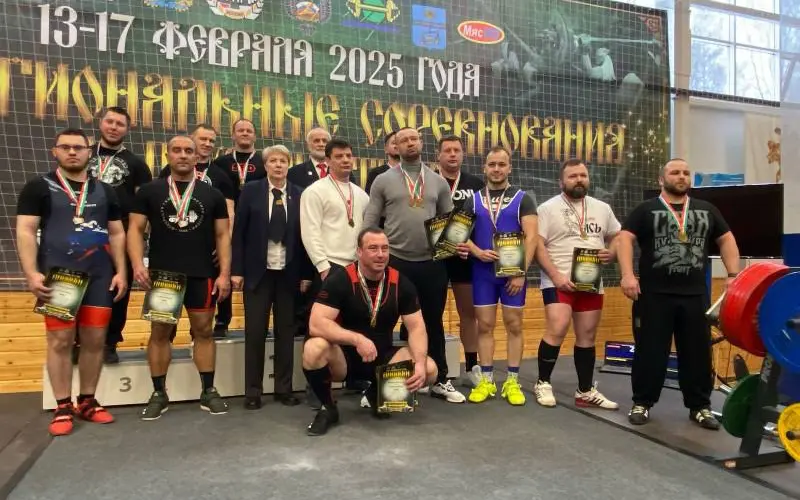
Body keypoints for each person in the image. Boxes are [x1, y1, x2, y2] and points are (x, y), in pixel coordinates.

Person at [16, 128, 127, 435]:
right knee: (60, 341)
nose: (73, 152)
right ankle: (63, 405)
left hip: (99, 276)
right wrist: (31, 272)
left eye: (79, 147)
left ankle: (88, 400)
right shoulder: (38, 187)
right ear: (55, 151)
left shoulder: (105, 190)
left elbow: (117, 232)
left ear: (90, 152)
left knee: (94, 340)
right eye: (65, 147)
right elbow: (26, 230)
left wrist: (121, 271)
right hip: (60, 276)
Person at [617, 158, 740, 429]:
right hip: (654, 295)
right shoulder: (646, 209)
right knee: (650, 351)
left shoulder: (707, 209)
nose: (681, 176)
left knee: (697, 353)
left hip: (694, 296)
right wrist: (627, 275)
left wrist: (733, 275)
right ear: (662, 179)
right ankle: (642, 403)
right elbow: (624, 238)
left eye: (686, 172)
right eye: (675, 172)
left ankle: (700, 407)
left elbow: (726, 239)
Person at [128, 135, 232, 420]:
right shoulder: (149, 191)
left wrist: (224, 273)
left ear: (197, 156)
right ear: (168, 155)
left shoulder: (213, 194)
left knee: (204, 331)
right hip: (164, 276)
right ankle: (158, 393)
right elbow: (135, 230)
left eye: (189, 151)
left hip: (202, 273)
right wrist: (137, 264)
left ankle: (208, 391)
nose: (183, 155)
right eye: (177, 150)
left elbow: (223, 235)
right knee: (160, 333)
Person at [302, 227, 439, 436]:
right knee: (313, 348)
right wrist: (356, 339)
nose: (380, 254)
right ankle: (328, 408)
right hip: (345, 359)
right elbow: (316, 323)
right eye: (373, 248)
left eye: (385, 248)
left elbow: (417, 328)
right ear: (359, 251)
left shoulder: (401, 283)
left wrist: (419, 363)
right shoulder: (340, 279)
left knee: (429, 368)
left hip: (382, 358)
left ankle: (376, 394)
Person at [363, 127, 467, 403]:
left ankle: (440, 379)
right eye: (403, 140)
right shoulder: (382, 180)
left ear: (421, 143)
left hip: (432, 264)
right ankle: (375, 387)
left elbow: (450, 221)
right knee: (383, 322)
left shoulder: (438, 182)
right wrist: (365, 254)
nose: (409, 143)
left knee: (432, 321)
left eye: (414, 139)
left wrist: (457, 243)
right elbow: (370, 220)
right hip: (395, 261)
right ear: (395, 147)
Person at [231, 145, 314, 408]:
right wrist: (236, 270)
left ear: (289, 165)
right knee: (255, 332)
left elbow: (306, 238)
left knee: (285, 333)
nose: (278, 165)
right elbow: (239, 233)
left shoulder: (300, 194)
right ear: (265, 165)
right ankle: (253, 392)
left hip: (289, 273)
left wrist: (306, 274)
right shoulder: (251, 191)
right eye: (273, 161)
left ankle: (283, 389)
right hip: (258, 274)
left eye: (283, 161)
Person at [533, 159, 620, 410]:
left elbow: (618, 236)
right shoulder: (547, 209)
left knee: (587, 334)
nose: (579, 180)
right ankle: (542, 383)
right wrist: (555, 276)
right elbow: (537, 245)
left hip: (590, 282)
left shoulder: (602, 208)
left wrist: (612, 252)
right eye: (572, 176)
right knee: (558, 327)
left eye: (583, 175)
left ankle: (585, 390)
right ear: (561, 182)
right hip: (558, 280)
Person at [461, 146, 538, 406]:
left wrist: (521, 273)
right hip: (482, 272)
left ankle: (512, 381)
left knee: (514, 325)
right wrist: (477, 252)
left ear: (509, 168)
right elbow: (458, 233)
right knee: (484, 326)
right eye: (492, 164)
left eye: (501, 164)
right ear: (484, 168)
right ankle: (487, 380)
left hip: (512, 275)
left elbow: (532, 238)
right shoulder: (473, 200)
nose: (496, 169)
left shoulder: (523, 198)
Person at [80, 107, 152, 364]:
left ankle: (110, 342)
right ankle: (79, 341)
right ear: (101, 123)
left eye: (119, 124)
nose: (113, 127)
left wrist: (139, 237)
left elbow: (143, 206)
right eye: (109, 121)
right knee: (81, 285)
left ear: (128, 129)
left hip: (120, 231)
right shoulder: (83, 154)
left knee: (118, 287)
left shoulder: (137, 164)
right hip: (84, 228)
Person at [160, 125, 235, 342]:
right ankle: (168, 338)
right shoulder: (168, 171)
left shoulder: (220, 174)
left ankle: (220, 324)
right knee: (164, 322)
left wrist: (225, 243)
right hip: (172, 250)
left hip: (207, 248)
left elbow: (229, 212)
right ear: (192, 139)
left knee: (206, 315)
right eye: (203, 139)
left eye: (211, 141)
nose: (207, 144)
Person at [436, 135, 485, 385]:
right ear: (438, 155)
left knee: (468, 314)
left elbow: (483, 220)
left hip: (465, 256)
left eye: (457, 150)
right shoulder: (429, 181)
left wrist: (473, 247)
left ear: (463, 154)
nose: (452, 154)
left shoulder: (475, 184)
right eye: (447, 150)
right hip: (435, 257)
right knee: (430, 314)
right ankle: (433, 369)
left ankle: (472, 367)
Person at [212, 118, 266, 337]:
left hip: (255, 226)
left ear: (255, 136)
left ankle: (258, 323)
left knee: (255, 276)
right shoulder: (220, 163)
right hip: (226, 223)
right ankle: (222, 321)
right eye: (240, 130)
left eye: (249, 130)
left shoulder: (264, 162)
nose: (245, 133)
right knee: (223, 270)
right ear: (232, 135)